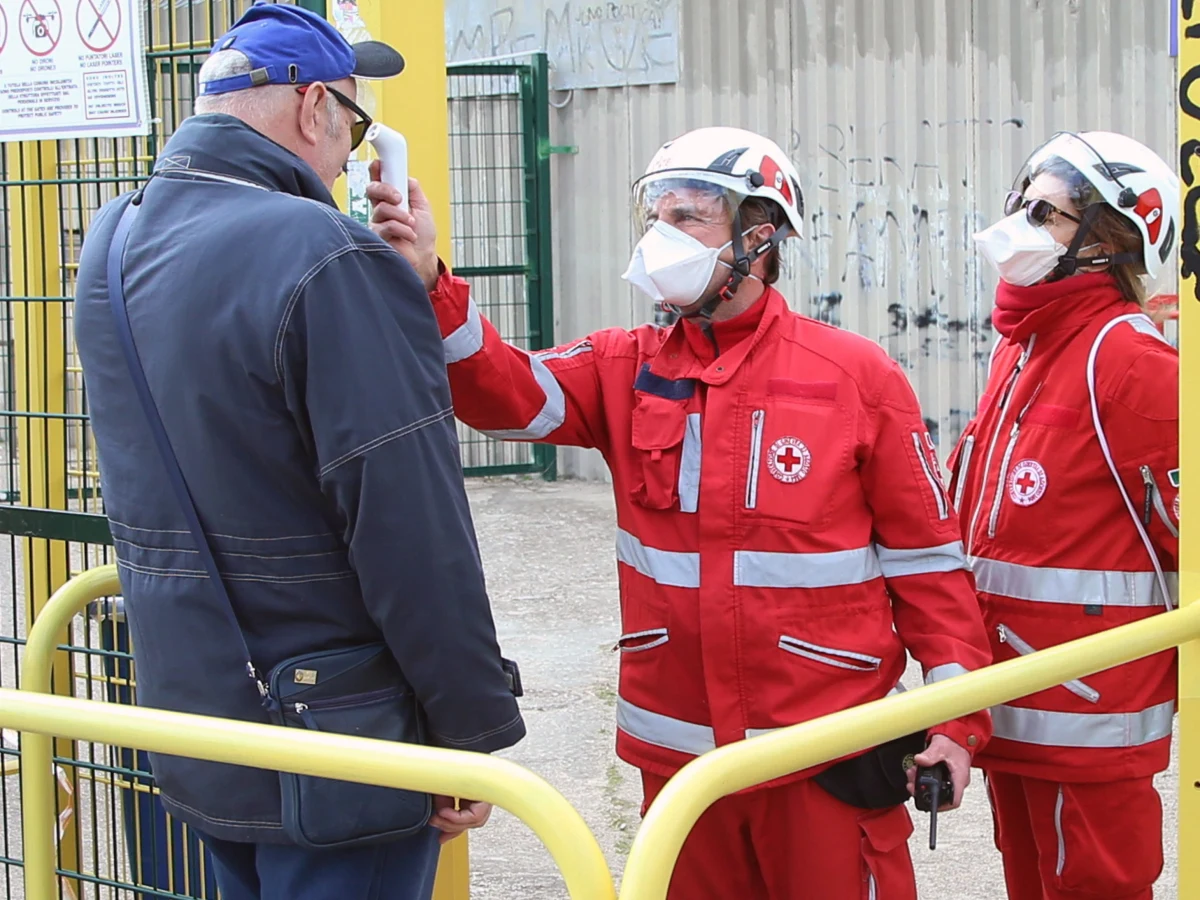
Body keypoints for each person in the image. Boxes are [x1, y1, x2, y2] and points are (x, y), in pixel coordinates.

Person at [369, 126, 993, 899]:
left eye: (690, 214)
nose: (664, 233)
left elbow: (929, 566)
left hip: (824, 765)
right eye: (654, 214)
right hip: (683, 774)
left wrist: (957, 724)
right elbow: (505, 394)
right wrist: (430, 276)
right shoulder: (622, 365)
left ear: (760, 234)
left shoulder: (856, 377)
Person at [72, 4, 525, 899]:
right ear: (314, 106)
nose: (353, 157)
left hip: (202, 720)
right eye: (355, 127)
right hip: (338, 737)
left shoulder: (111, 241)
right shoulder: (326, 255)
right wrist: (470, 731)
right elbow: (409, 525)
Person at [951, 131, 1180, 900]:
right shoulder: (1025, 345)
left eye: (1045, 213)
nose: (1018, 221)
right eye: (1024, 202)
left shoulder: (1133, 363)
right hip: (1011, 702)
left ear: (1108, 239)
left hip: (1090, 716)